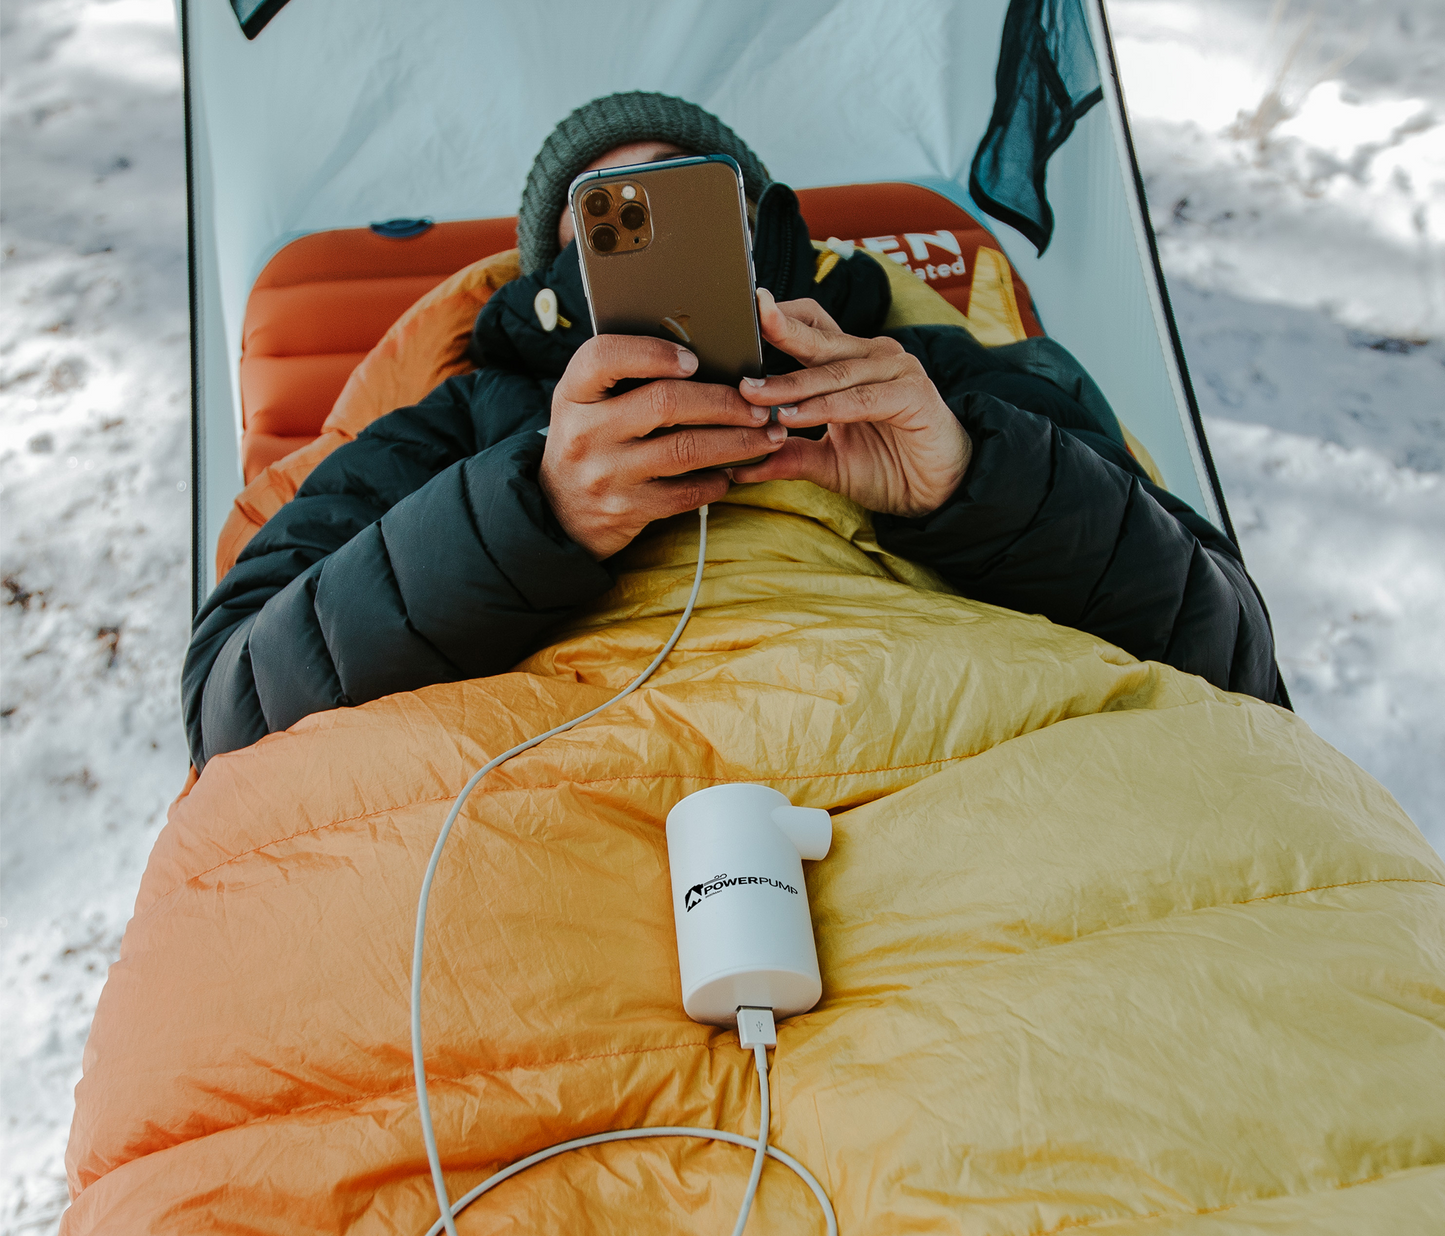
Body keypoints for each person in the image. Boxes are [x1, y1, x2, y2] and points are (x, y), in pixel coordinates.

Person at [183, 92, 1284, 771]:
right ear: (553, 283)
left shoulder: (941, 379)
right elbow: (231, 698)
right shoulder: (461, 419)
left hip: (965, 755)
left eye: (693, 204)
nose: (653, 230)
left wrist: (968, 481)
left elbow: (1226, 644)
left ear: (771, 233)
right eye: (605, 222)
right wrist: (537, 510)